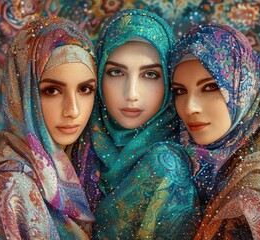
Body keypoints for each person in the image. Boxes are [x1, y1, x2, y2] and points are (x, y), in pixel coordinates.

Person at [0, 16, 97, 239]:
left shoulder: (79, 165)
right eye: (52, 91)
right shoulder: (6, 188)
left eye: (85, 89)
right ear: (22, 94)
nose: (73, 110)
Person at [171, 23, 260, 239]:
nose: (189, 108)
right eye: (180, 91)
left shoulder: (256, 199)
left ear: (245, 89)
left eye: (210, 87)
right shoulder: (192, 170)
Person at [73, 9, 201, 239]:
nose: (131, 93)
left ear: (170, 81)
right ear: (99, 73)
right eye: (115, 72)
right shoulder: (76, 141)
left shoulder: (174, 164)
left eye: (150, 74)